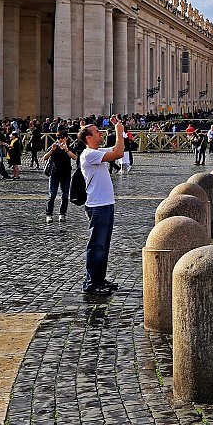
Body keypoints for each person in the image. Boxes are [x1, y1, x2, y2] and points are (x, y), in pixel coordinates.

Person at [79, 117, 125, 296]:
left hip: (106, 203)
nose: (101, 133)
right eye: (97, 132)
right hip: (97, 205)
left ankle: (100, 279)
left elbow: (117, 149)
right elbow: (118, 154)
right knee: (96, 245)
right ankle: (91, 283)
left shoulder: (97, 152)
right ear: (88, 137)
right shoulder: (89, 154)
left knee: (103, 245)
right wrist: (119, 131)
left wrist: (119, 130)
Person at [42, 130, 76, 223]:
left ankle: (62, 213)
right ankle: (49, 214)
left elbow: (74, 157)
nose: (60, 139)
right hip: (54, 174)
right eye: (58, 138)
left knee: (65, 195)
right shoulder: (54, 147)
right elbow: (44, 158)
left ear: (66, 138)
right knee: (52, 195)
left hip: (66, 174)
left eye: (62, 137)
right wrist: (51, 151)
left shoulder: (69, 148)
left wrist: (66, 149)